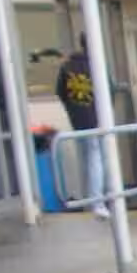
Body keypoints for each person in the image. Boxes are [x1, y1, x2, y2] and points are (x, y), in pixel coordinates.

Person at [53, 40, 109, 218]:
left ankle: (91, 200)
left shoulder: (67, 66)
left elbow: (60, 92)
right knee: (97, 159)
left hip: (78, 120)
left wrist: (73, 110)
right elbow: (110, 90)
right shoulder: (97, 65)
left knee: (87, 158)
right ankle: (98, 202)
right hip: (97, 120)